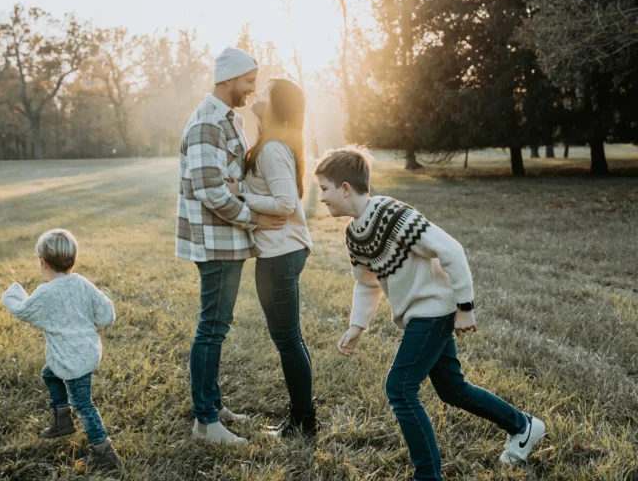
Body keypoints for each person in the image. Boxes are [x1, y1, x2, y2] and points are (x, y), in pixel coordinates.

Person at [314, 145, 546, 481]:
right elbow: (366, 284)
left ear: (346, 188)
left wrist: (465, 307)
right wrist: (356, 326)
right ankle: (522, 425)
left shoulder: (394, 216)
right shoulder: (354, 234)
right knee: (452, 390)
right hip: (418, 315)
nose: (321, 198)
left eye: (324, 189)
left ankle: (428, 475)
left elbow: (450, 249)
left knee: (400, 388)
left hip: (434, 310)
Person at [176, 47, 287, 444]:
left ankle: (211, 403)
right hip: (217, 240)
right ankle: (205, 422)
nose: (252, 90)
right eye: (247, 82)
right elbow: (209, 189)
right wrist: (253, 218)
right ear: (226, 79)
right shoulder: (207, 123)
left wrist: (240, 192)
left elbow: (231, 179)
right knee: (212, 329)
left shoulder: (229, 120)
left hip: (228, 238)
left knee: (216, 327)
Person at [226, 79, 317, 437]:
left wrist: (242, 194)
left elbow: (285, 204)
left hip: (280, 253)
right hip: (284, 250)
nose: (257, 95)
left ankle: (301, 422)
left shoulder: (272, 148)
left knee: (288, 340)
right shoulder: (273, 143)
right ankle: (304, 416)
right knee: (292, 338)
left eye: (265, 92)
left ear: (276, 106)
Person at [1, 228, 119, 469]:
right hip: (85, 352)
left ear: (43, 263)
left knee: (84, 405)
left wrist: (13, 294)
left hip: (72, 359)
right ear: (73, 260)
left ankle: (104, 452)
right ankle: (61, 420)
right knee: (49, 373)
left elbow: (24, 310)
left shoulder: (46, 292)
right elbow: (107, 315)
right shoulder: (83, 284)